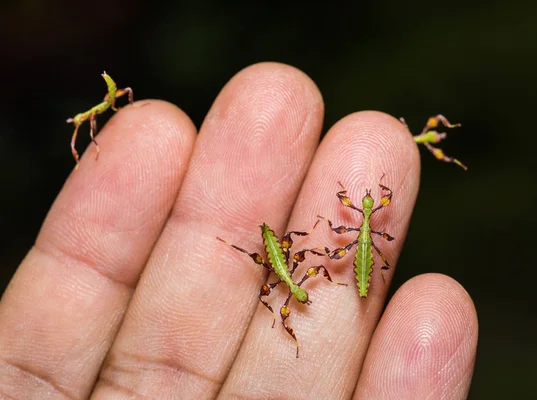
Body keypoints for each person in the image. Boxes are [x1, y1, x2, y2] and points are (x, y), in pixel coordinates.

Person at [0, 62, 478, 399]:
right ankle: (253, 250)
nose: (304, 300)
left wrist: (312, 255)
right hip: (290, 257)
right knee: (293, 274)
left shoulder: (307, 267)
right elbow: (301, 265)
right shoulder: (293, 272)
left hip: (303, 258)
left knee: (306, 272)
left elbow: (312, 260)